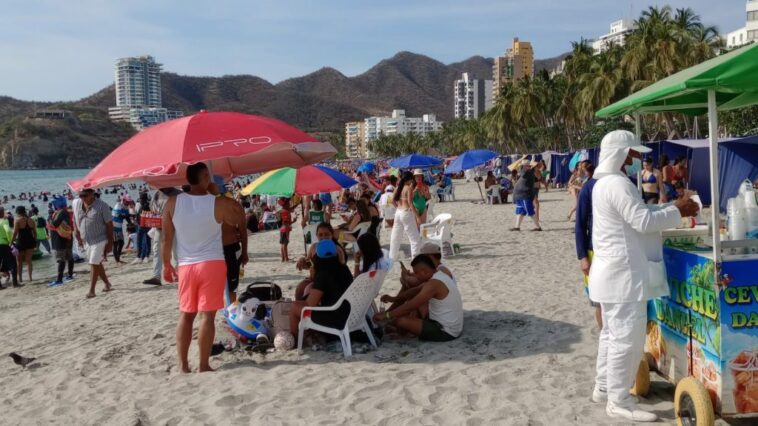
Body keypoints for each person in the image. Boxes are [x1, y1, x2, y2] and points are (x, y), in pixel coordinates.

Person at [589, 130, 699, 422]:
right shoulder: (617, 184)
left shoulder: (603, 184)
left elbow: (636, 217)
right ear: (621, 155)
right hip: (622, 276)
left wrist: (669, 209)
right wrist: (678, 210)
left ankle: (603, 388)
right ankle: (619, 400)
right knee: (626, 339)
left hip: (609, 273)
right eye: (633, 154)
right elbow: (642, 221)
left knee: (611, 336)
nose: (637, 158)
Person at [161, 162, 246, 373]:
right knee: (207, 316)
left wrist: (165, 264)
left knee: (186, 315)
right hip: (212, 263)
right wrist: (218, 194)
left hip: (186, 265)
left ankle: (182, 365)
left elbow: (166, 238)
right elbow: (238, 217)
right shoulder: (215, 202)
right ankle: (203, 364)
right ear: (206, 177)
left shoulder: (172, 202)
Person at [374, 254, 462, 341]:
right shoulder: (439, 276)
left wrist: (387, 315)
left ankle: (402, 331)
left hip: (445, 331)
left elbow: (411, 306)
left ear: (425, 271)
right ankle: (402, 330)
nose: (415, 275)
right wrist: (392, 299)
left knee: (400, 321)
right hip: (451, 326)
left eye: (416, 272)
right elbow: (412, 292)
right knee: (401, 315)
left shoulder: (433, 284)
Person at [289, 239, 354, 336]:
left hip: (335, 319)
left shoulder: (323, 273)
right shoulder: (344, 268)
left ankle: (295, 340)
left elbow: (309, 304)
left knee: (294, 307)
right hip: (349, 315)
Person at [574, 164, 601, 329]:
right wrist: (583, 256)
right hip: (593, 251)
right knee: (599, 301)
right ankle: (604, 334)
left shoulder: (625, 183)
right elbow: (580, 224)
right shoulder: (588, 188)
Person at [73, 189, 114, 298]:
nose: (82, 198)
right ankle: (107, 283)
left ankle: (92, 290)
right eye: (80, 195)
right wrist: (76, 232)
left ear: (92, 194)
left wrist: (110, 242)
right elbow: (75, 219)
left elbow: (110, 225)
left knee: (93, 263)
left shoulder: (102, 206)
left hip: (100, 239)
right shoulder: (79, 205)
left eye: (84, 195)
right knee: (97, 263)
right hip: (87, 241)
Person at [143, 188, 182, 286]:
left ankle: (179, 274)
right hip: (159, 227)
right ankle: (156, 276)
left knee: (176, 251)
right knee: (157, 251)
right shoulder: (156, 194)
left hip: (175, 227)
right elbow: (152, 209)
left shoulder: (178, 194)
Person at [389, 171, 422, 260]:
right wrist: (418, 217)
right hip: (406, 212)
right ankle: (415, 258)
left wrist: (397, 208)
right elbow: (410, 203)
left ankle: (392, 257)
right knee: (414, 238)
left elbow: (392, 200)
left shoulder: (398, 188)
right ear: (410, 179)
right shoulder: (408, 188)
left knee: (395, 237)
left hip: (398, 212)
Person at [49, 197, 75, 286]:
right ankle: (70, 275)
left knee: (61, 259)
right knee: (69, 257)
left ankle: (59, 279)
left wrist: (49, 218)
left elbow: (54, 224)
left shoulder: (61, 212)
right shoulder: (67, 211)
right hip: (68, 237)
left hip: (60, 240)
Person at [510, 162, 541, 231]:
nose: (524, 167)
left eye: (526, 166)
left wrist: (521, 166)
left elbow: (523, 173)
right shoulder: (526, 173)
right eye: (524, 166)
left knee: (530, 212)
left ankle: (538, 227)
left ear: (529, 167)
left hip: (525, 195)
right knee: (520, 212)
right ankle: (517, 226)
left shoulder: (528, 173)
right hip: (520, 196)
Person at [11, 206, 36, 283]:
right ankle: (30, 278)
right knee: (29, 261)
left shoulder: (17, 220)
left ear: (18, 212)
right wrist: (34, 240)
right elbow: (35, 232)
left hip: (21, 242)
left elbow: (15, 233)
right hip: (30, 241)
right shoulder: (31, 220)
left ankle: (20, 279)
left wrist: (11, 241)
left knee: (19, 261)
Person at [0, 206, 20, 288]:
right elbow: (8, 231)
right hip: (4, 244)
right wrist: (10, 241)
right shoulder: (4, 221)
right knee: (13, 263)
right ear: (1, 213)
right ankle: (15, 283)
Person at [111, 196, 129, 265]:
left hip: (120, 227)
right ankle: (117, 260)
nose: (127, 203)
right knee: (115, 244)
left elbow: (127, 217)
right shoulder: (117, 206)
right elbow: (120, 216)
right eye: (126, 202)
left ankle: (118, 258)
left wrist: (131, 223)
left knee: (121, 242)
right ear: (123, 201)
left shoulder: (125, 207)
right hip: (114, 228)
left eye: (128, 202)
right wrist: (129, 216)